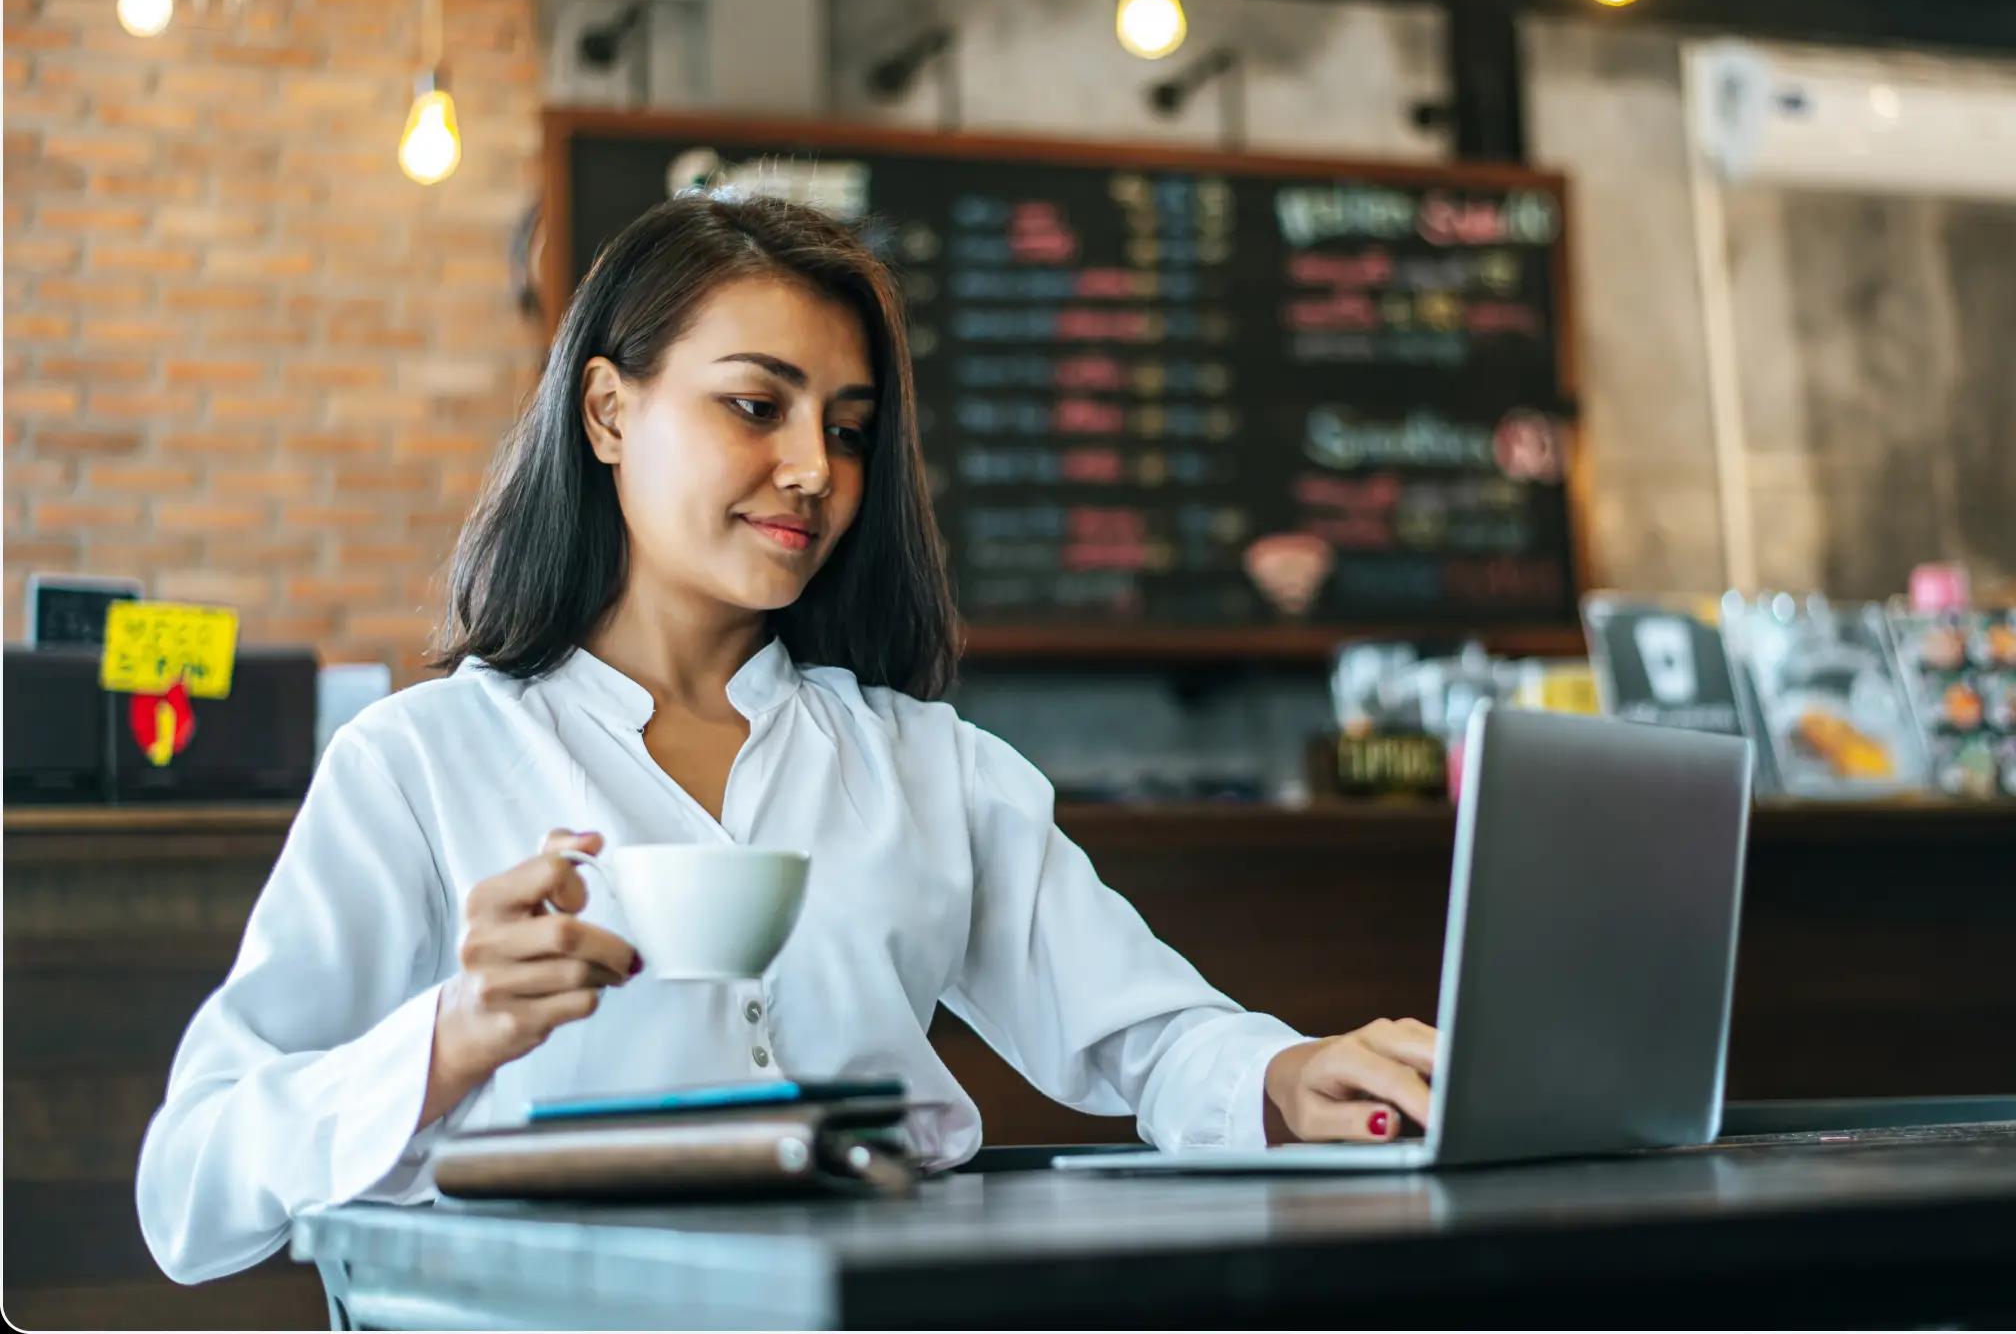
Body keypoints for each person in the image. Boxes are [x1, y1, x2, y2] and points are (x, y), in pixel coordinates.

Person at [136, 192, 1439, 1284]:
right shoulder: (418, 766)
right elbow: (190, 1188)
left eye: (849, 429)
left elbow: (1155, 1040)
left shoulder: (926, 768)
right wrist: (455, 1033)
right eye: (757, 406)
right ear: (607, 413)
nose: (815, 467)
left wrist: (1292, 1071)